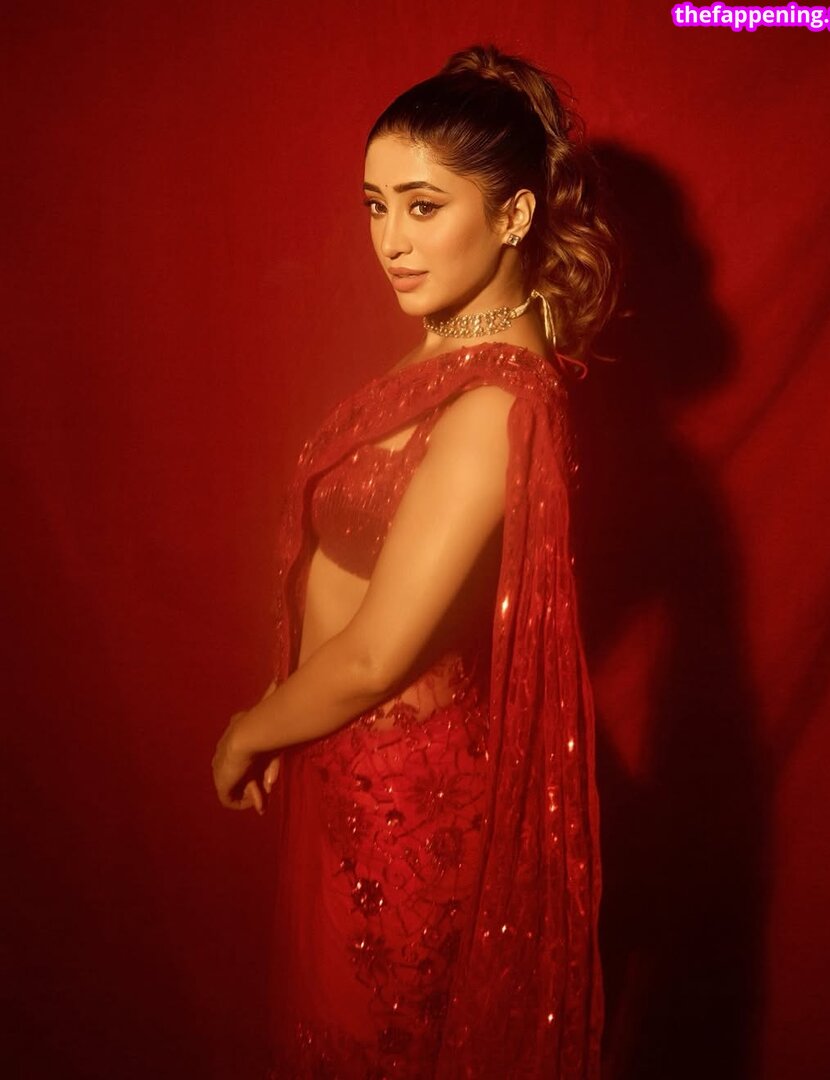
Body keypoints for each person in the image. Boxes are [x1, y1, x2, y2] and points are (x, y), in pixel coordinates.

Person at [212, 42, 620, 1079]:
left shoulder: (494, 402)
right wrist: (293, 714)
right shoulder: (452, 347)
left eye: (423, 207)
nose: (390, 241)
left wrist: (248, 729)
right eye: (374, 206)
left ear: (514, 215)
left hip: (402, 807)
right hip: (347, 763)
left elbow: (376, 654)